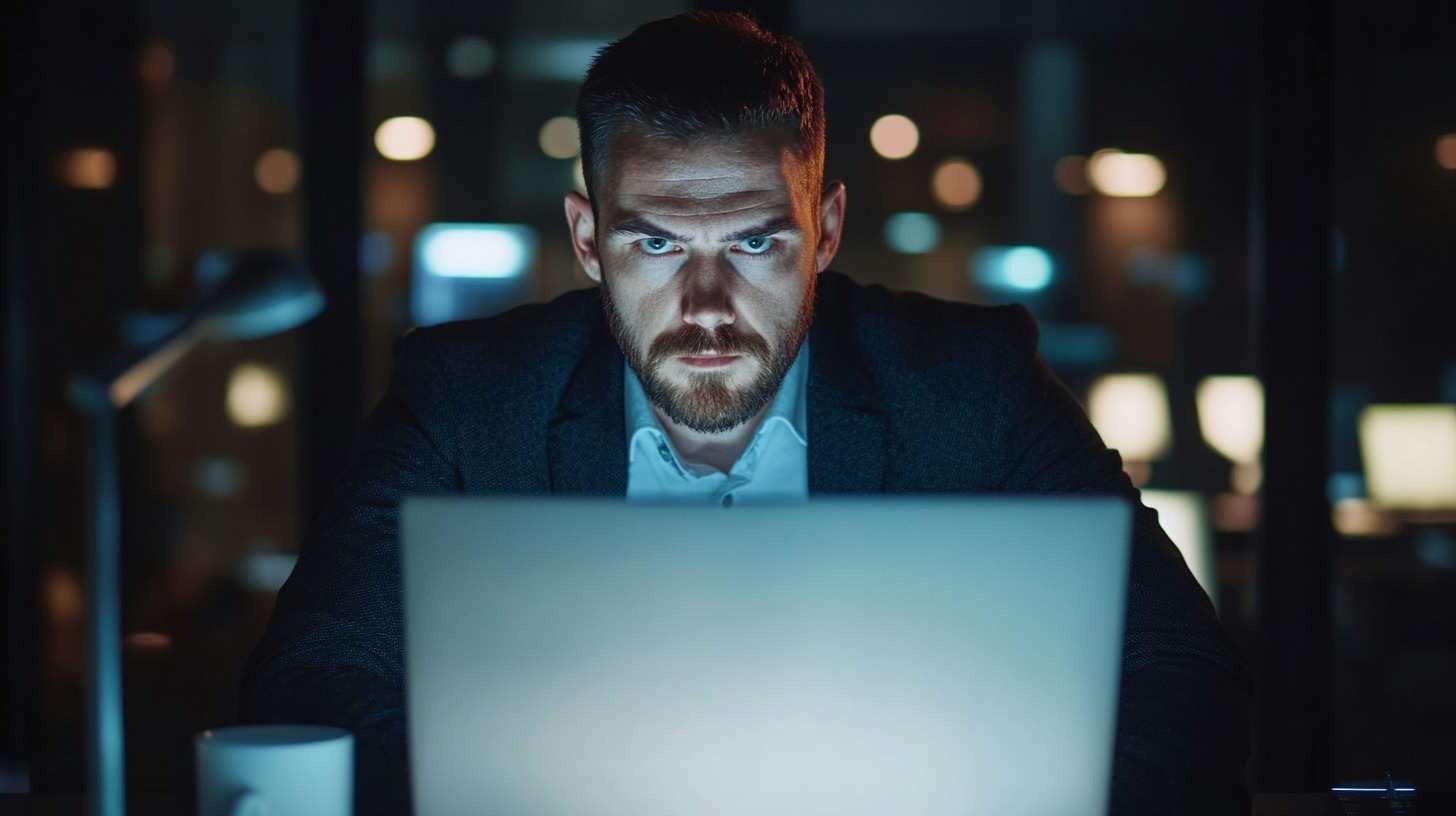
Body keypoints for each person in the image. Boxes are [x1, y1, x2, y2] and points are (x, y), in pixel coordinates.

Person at [241, 11, 1251, 815]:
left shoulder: (969, 380)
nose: (706, 307)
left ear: (826, 229)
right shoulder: (467, 393)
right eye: (655, 245)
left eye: (756, 243)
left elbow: (1176, 667)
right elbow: (315, 671)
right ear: (588, 239)